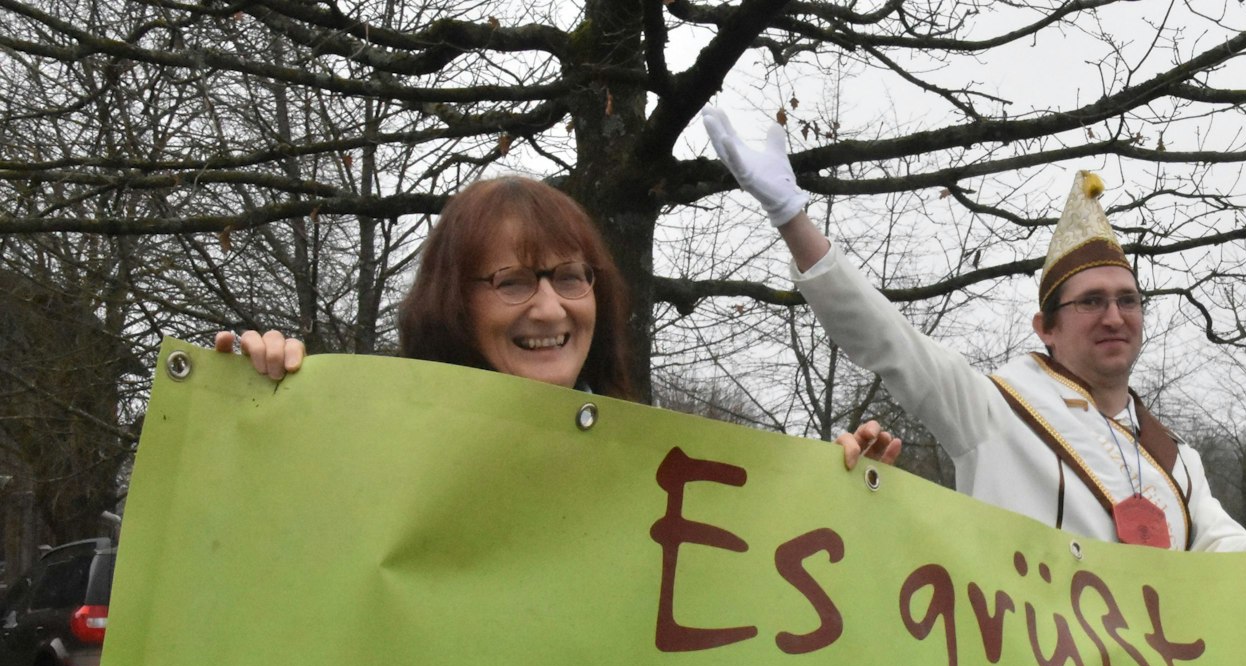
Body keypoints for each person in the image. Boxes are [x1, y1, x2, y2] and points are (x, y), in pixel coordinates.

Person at [702, 107, 1246, 571]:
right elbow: (886, 339)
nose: (1114, 316)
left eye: (1127, 300)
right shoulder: (993, 410)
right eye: (1091, 301)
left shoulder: (1179, 461)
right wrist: (791, 217)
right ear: (1046, 327)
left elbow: (1220, 563)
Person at [214, 175, 897, 470]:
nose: (549, 308)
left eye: (570, 277)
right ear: (453, 303)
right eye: (512, 281)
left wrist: (838, 497)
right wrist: (257, 410)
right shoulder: (370, 446)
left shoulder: (656, 474)